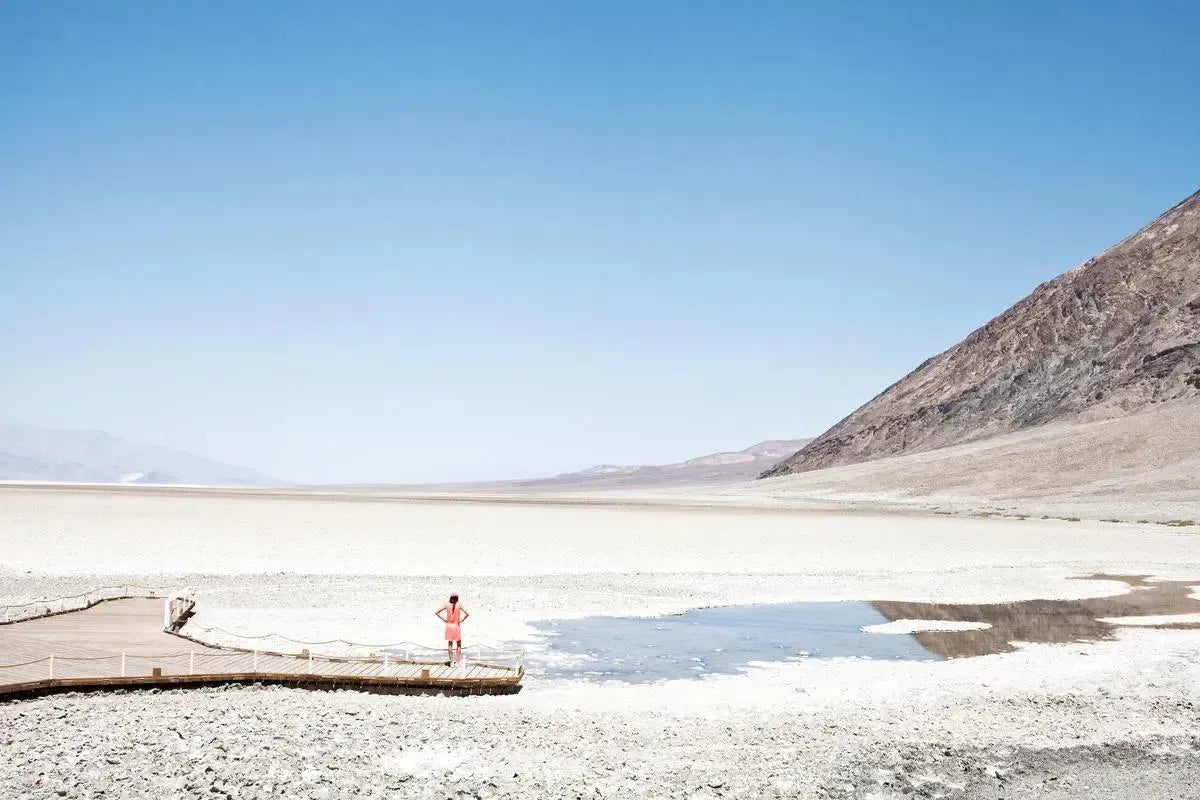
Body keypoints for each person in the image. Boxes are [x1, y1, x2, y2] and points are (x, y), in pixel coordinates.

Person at [435, 593, 469, 666]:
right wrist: (462, 620)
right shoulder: (459, 605)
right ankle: (457, 662)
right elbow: (467, 614)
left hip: (449, 626)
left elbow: (437, 612)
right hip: (456, 626)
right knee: (459, 645)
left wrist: (444, 620)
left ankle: (451, 661)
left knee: (450, 644)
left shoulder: (446, 604)